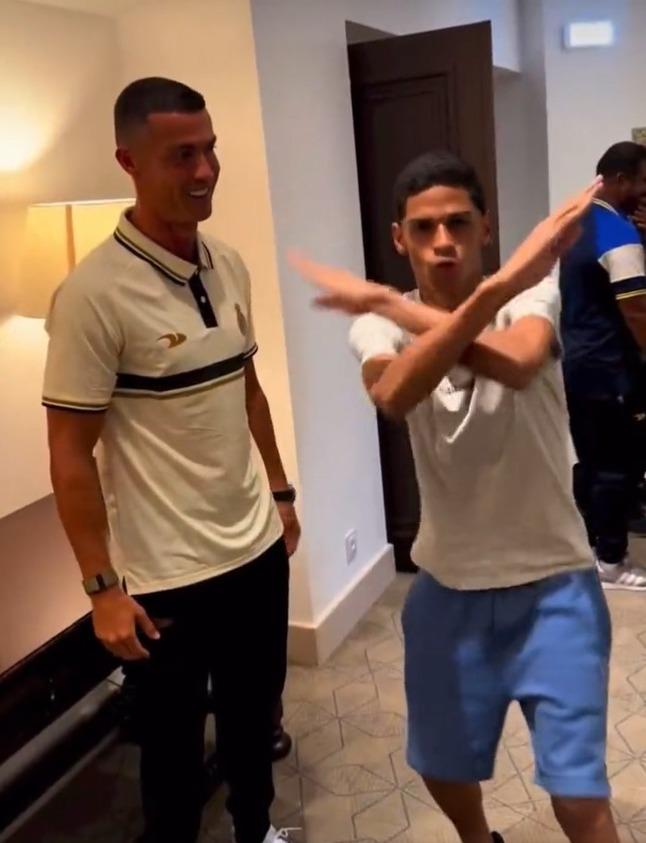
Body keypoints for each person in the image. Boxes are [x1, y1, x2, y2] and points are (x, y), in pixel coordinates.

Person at [290, 151, 616, 843]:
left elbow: (518, 363)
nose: (444, 242)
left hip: (556, 585)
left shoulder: (532, 296)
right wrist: (416, 304)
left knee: (578, 789)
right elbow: (393, 391)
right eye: (425, 227)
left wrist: (413, 301)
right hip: (447, 588)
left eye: (459, 223)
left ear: (485, 228)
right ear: (399, 238)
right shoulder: (377, 325)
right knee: (440, 762)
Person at [43, 77, 300, 843]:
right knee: (172, 758)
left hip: (256, 550)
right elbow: (69, 453)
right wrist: (101, 588)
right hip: (166, 577)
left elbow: (248, 390)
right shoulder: (92, 295)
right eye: (181, 155)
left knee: (254, 723)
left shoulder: (227, 262)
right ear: (129, 161)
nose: (205, 170)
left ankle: (257, 831)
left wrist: (281, 492)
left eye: (210, 150)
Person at [560, 142, 646, 590]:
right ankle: (612, 562)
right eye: (643, 182)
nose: (645, 192)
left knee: (593, 461)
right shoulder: (619, 234)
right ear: (620, 180)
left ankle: (592, 548)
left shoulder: (580, 221)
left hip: (580, 364)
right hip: (610, 369)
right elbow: (637, 311)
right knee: (617, 465)